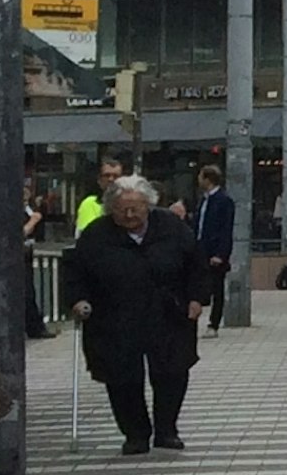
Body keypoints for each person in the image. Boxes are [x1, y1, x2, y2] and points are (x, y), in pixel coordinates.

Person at [59, 173, 208, 456]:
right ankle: (135, 433)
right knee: (121, 375)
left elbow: (196, 264)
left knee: (172, 370)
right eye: (121, 209)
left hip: (167, 311)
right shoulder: (96, 235)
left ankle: (167, 430)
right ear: (110, 209)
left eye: (136, 208)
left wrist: (197, 299)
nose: (129, 214)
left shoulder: (172, 227)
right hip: (113, 316)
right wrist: (78, 300)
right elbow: (75, 273)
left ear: (148, 205)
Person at [192, 163, 238, 335]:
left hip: (214, 251)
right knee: (198, 285)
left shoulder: (224, 200)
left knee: (216, 288)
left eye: (201, 176)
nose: (198, 179)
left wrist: (221, 254)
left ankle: (214, 323)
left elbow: (226, 229)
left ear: (208, 179)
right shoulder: (203, 199)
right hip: (200, 250)